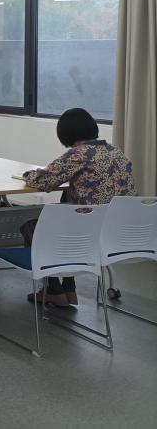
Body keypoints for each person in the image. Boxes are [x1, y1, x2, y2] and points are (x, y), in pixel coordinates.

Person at [22, 107, 135, 307]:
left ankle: (54, 291)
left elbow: (43, 181)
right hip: (115, 234)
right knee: (67, 203)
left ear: (66, 134)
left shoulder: (78, 154)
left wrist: (27, 174)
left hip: (84, 233)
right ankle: (69, 290)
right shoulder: (117, 153)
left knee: (33, 228)